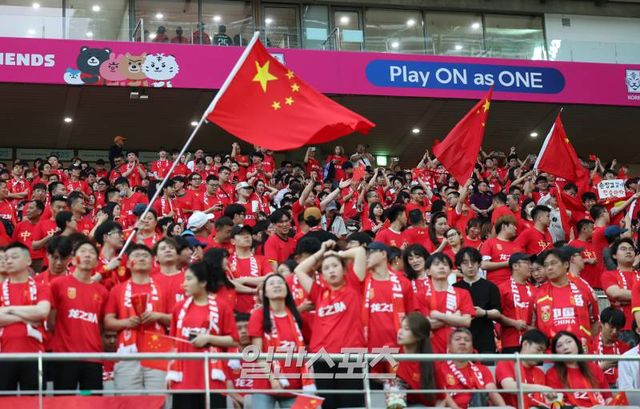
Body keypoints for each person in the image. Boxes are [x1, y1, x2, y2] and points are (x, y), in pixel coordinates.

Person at [293, 240, 366, 408]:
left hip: (350, 356)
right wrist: (321, 251)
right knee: (328, 405)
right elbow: (299, 270)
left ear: (344, 269)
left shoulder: (354, 285)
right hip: (322, 358)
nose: (331, 270)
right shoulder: (319, 293)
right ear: (322, 275)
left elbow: (360, 252)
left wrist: (337, 254)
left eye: (335, 266)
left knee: (351, 405)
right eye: (326, 268)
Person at [168, 261, 238, 409]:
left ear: (203, 282)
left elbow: (233, 340)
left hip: (212, 377)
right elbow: (173, 343)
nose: (184, 284)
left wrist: (209, 338)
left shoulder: (222, 306)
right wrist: (169, 373)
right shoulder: (179, 307)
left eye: (189, 279)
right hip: (183, 377)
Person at [104, 244, 171, 392]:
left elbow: (176, 318)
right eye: (136, 256)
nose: (141, 258)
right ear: (128, 264)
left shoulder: (163, 288)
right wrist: (126, 322)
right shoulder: (117, 290)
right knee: (129, 401)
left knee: (158, 401)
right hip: (127, 354)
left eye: (145, 256)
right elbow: (108, 322)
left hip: (158, 354)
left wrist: (158, 316)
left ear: (152, 262)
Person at [49, 239, 108, 391]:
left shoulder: (102, 292)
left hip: (92, 359)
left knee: (90, 400)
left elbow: (101, 326)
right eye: (83, 251)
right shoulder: (58, 285)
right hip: (65, 357)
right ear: (73, 260)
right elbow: (51, 321)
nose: (87, 255)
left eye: (92, 253)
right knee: (64, 401)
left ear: (96, 262)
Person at [248, 273, 313, 408]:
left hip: (295, 385)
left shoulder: (297, 316)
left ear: (287, 290)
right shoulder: (258, 315)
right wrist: (273, 379)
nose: (276, 285)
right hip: (265, 384)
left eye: (280, 282)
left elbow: (309, 345)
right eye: (271, 284)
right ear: (265, 293)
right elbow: (257, 353)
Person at [0, 242, 51, 392]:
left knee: (34, 401)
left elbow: (42, 312)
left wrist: (9, 309)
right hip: (3, 355)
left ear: (28, 261)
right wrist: (25, 317)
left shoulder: (41, 287)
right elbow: (36, 313)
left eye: (14, 257)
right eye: (6, 258)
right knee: (4, 401)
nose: (8, 261)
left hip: (34, 355)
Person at [531, 249, 599, 351]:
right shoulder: (537, 295)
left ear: (566, 264)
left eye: (553, 263)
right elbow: (532, 327)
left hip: (582, 353)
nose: (549, 268)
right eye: (546, 265)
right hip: (550, 355)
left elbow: (595, 321)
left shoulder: (583, 290)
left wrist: (588, 344)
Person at [435, 328, 506, 408]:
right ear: (449, 347)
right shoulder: (440, 369)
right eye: (457, 339)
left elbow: (493, 393)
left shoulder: (483, 369)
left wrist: (504, 407)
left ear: (472, 349)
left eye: (467, 340)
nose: (462, 342)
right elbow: (442, 395)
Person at [418, 253, 474, 354]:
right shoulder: (421, 295)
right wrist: (454, 317)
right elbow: (424, 326)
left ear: (451, 270)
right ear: (428, 271)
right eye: (436, 264)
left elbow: (466, 321)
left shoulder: (463, 293)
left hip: (456, 352)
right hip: (430, 351)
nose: (441, 267)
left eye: (445, 264)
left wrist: (439, 315)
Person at [453, 247, 501, 353]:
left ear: (479, 264)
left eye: (473, 262)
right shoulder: (453, 288)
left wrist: (483, 313)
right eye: (465, 263)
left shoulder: (490, 286)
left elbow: (498, 313)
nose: (470, 266)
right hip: (461, 340)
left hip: (485, 339)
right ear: (459, 266)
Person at [546, 331, 613, 407]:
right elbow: (556, 404)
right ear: (556, 352)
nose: (565, 347)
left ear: (577, 344)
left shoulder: (594, 368)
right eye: (559, 345)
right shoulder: (552, 374)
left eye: (569, 342)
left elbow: (608, 397)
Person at [495, 329, 553, 408]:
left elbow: (540, 400)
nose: (541, 355)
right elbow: (509, 386)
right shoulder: (506, 362)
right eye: (538, 349)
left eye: (543, 352)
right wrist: (541, 388)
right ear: (525, 344)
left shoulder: (540, 373)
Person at [393, 312, 436, 407]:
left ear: (418, 335)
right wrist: (389, 380)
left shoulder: (431, 360)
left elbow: (442, 396)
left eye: (406, 329)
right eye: (400, 327)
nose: (400, 332)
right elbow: (374, 374)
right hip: (395, 402)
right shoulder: (389, 350)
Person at [602, 238, 639, 345]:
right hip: (623, 329)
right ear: (614, 255)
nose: (628, 251)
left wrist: (626, 297)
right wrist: (637, 295)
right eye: (623, 249)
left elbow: (621, 294)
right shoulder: (609, 275)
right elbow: (616, 293)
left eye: (631, 249)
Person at [498, 253, 536, 353]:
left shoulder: (535, 290)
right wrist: (514, 323)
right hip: (510, 342)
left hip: (533, 342)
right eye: (527, 263)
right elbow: (496, 315)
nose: (531, 267)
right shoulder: (502, 288)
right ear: (515, 266)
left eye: (531, 264)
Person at [480, 215, 522, 286]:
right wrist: (506, 263)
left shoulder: (517, 246)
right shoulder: (489, 242)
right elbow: (483, 265)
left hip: (514, 286)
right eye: (513, 225)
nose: (516, 228)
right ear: (504, 226)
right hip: (495, 285)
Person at [595, 307, 629, 388]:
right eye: (611, 327)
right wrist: (600, 368)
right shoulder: (589, 345)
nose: (614, 332)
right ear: (601, 324)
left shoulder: (625, 348)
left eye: (618, 328)